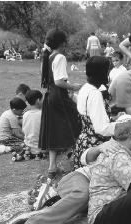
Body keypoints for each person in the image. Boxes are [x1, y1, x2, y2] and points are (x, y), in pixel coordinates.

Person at [39, 29, 82, 179]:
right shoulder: (60, 57)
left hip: (50, 96)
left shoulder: (48, 56)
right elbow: (59, 81)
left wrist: (67, 84)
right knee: (77, 122)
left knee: (54, 130)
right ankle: (76, 158)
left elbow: (50, 80)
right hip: (59, 97)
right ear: (62, 43)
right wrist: (74, 87)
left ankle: (52, 167)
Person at [72, 56, 117, 169]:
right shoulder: (94, 94)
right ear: (102, 72)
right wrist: (123, 125)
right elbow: (101, 128)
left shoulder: (85, 88)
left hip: (83, 142)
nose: (109, 73)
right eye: (107, 70)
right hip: (95, 146)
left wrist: (113, 120)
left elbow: (91, 117)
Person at [23, 90, 43, 155]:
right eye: (42, 99)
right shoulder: (43, 114)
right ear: (38, 100)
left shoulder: (25, 114)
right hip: (41, 148)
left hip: (28, 147)